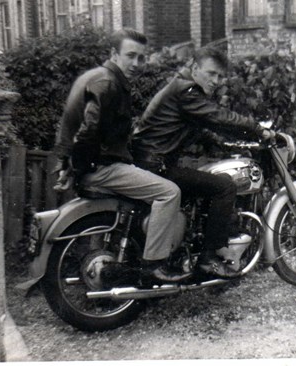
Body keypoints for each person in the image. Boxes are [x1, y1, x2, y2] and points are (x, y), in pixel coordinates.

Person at [54, 28, 188, 283]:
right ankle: (154, 265)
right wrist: (82, 166)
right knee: (169, 192)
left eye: (141, 57)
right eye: (131, 56)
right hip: (102, 168)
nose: (137, 64)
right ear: (114, 54)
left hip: (92, 166)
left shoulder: (93, 76)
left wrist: (66, 163)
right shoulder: (110, 83)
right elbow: (88, 128)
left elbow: (68, 123)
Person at [131, 47, 269, 278]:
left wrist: (225, 145)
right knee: (224, 186)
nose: (216, 81)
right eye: (211, 73)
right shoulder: (187, 91)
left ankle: (185, 251)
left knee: (203, 184)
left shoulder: (182, 88)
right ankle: (209, 258)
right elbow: (219, 116)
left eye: (220, 76)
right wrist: (258, 130)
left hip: (152, 162)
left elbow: (201, 127)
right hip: (157, 166)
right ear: (195, 69)